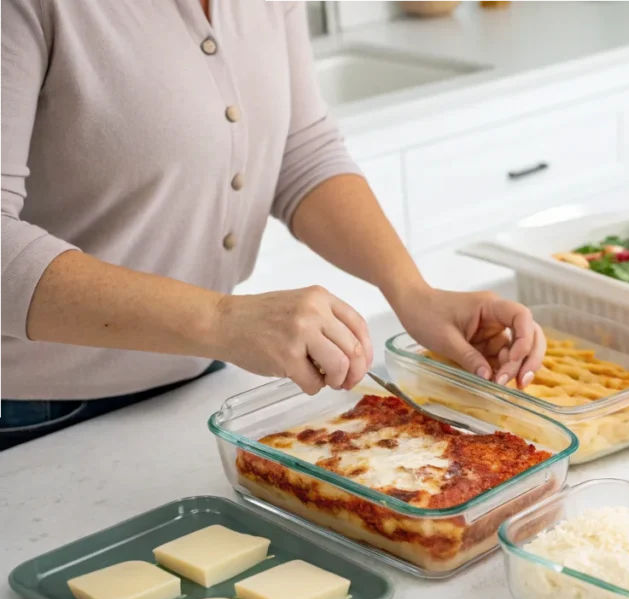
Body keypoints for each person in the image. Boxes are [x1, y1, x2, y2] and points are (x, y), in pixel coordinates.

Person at [0, 0, 545, 451]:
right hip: (35, 413)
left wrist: (411, 291)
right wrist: (223, 319)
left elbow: (299, 151)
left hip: (192, 385)